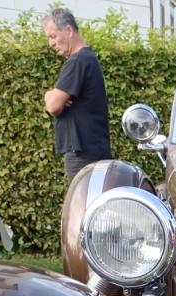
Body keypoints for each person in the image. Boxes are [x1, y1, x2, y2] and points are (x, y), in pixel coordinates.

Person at [42, 8, 112, 185]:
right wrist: (53, 96)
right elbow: (56, 102)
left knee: (82, 200)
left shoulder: (77, 61)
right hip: (93, 149)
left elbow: (53, 106)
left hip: (83, 154)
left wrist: (49, 95)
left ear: (68, 30)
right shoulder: (88, 58)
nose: (51, 43)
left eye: (53, 36)